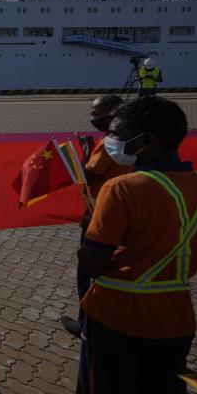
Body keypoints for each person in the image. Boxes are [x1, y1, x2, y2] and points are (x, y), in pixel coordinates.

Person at [76, 96, 197, 394]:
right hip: (176, 319)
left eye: (118, 134)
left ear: (147, 140)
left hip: (116, 317)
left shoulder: (122, 188)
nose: (111, 141)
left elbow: (93, 261)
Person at [61, 94, 130, 338]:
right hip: (122, 215)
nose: (92, 117)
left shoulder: (109, 142)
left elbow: (89, 176)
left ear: (113, 112)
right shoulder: (130, 139)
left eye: (96, 113)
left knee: (87, 271)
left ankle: (86, 324)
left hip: (98, 214)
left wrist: (86, 153)